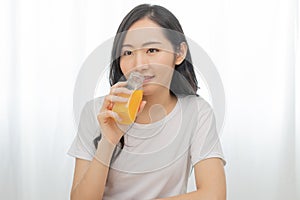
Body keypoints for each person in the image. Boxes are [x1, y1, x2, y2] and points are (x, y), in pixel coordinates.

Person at [68, 4, 226, 200]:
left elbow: (214, 195)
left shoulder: (196, 112)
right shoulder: (97, 112)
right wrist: (108, 141)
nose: (139, 64)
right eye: (128, 53)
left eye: (152, 50)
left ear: (179, 53)